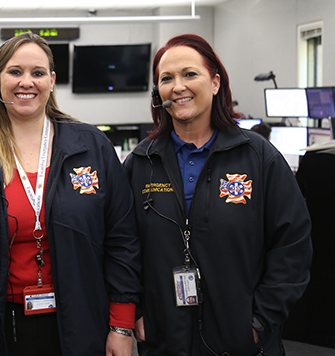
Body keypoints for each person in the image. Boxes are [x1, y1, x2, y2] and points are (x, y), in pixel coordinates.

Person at [0, 32, 142, 356]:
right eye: (15, 72)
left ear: (52, 80)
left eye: (37, 73)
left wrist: (121, 325)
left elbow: (122, 239)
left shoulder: (91, 146)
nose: (26, 82)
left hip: (83, 319)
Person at [123, 34, 312, 356]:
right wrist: (135, 314)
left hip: (240, 341)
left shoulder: (258, 157)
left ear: (214, 83)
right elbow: (122, 247)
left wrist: (259, 321)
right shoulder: (141, 163)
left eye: (189, 74)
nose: (177, 86)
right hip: (163, 339)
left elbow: (292, 244)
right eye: (166, 79)